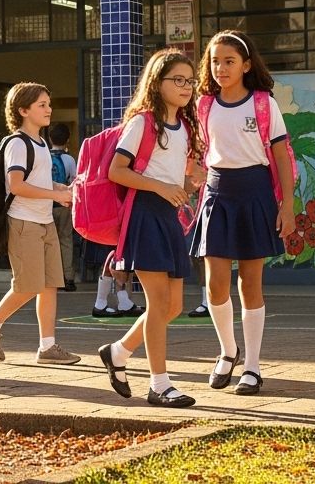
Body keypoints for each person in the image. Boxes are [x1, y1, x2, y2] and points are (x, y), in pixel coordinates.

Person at [190, 30, 296, 397]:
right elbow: (196, 151)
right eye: (214, 61)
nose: (220, 68)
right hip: (217, 194)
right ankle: (227, 351)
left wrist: (287, 205)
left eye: (229, 61)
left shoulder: (264, 104)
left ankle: (252, 366)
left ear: (246, 65)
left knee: (250, 283)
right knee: (215, 283)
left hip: (255, 192)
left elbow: (281, 156)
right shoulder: (203, 105)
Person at [98, 50, 203, 407]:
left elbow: (174, 182)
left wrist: (191, 183)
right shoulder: (143, 123)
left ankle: (117, 352)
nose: (186, 86)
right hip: (144, 215)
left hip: (167, 217)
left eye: (190, 81)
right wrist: (160, 187)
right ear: (157, 83)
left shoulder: (184, 127)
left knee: (173, 306)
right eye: (178, 80)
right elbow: (116, 171)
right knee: (159, 303)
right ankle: (159, 385)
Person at [0, 83, 80, 366]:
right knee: (28, 286)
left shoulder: (41, 143)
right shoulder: (17, 143)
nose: (49, 109)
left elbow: (38, 181)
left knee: (49, 285)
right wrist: (55, 195)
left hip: (44, 222)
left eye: (48, 104)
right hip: (24, 223)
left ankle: (47, 347)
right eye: (42, 105)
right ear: (23, 110)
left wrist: (61, 189)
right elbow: (17, 185)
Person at [48, 124, 78, 293]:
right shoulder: (69, 160)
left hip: (46, 204)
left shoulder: (44, 157)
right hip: (64, 204)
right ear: (67, 140)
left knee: (50, 241)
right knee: (66, 239)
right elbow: (74, 181)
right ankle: (68, 278)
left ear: (50, 139)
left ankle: (53, 277)